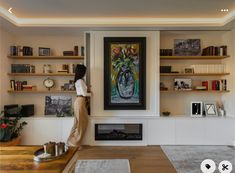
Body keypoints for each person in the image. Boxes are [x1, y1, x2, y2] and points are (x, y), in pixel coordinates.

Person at [67, 64, 91, 147]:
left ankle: (71, 141)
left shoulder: (79, 80)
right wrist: (91, 93)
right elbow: (84, 93)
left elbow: (82, 91)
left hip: (79, 101)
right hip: (80, 101)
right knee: (82, 123)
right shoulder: (80, 81)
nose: (85, 73)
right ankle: (74, 143)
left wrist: (87, 88)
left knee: (77, 123)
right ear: (82, 72)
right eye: (84, 71)